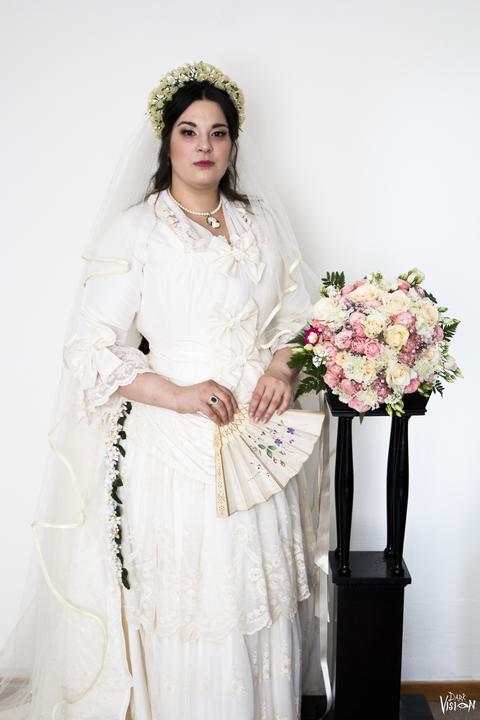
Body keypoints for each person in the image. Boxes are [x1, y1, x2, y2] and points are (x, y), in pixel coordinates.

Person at [0, 61, 331, 719]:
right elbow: (90, 347)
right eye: (189, 131)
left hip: (259, 437)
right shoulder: (139, 230)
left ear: (233, 144)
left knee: (252, 589)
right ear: (167, 142)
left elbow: (300, 321)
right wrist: (179, 394)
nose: (204, 146)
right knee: (197, 594)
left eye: (217, 132)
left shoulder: (261, 223)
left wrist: (279, 370)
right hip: (176, 442)